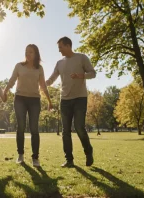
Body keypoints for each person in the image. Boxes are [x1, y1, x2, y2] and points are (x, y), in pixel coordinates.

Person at [46, 37, 96, 167]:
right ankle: (69, 160)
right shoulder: (59, 63)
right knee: (65, 131)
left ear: (68, 46)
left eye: (61, 47)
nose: (59, 50)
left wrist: (82, 76)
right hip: (65, 100)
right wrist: (43, 84)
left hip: (80, 98)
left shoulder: (81, 58)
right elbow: (52, 78)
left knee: (79, 127)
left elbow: (93, 73)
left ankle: (88, 151)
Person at [4, 44, 52, 167]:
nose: (28, 54)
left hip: (34, 100)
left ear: (36, 54)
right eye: (26, 51)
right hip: (20, 98)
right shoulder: (19, 66)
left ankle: (35, 157)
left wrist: (49, 101)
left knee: (34, 129)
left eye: (30, 52)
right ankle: (20, 155)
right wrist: (5, 91)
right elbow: (12, 80)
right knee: (20, 127)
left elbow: (43, 86)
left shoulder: (39, 68)